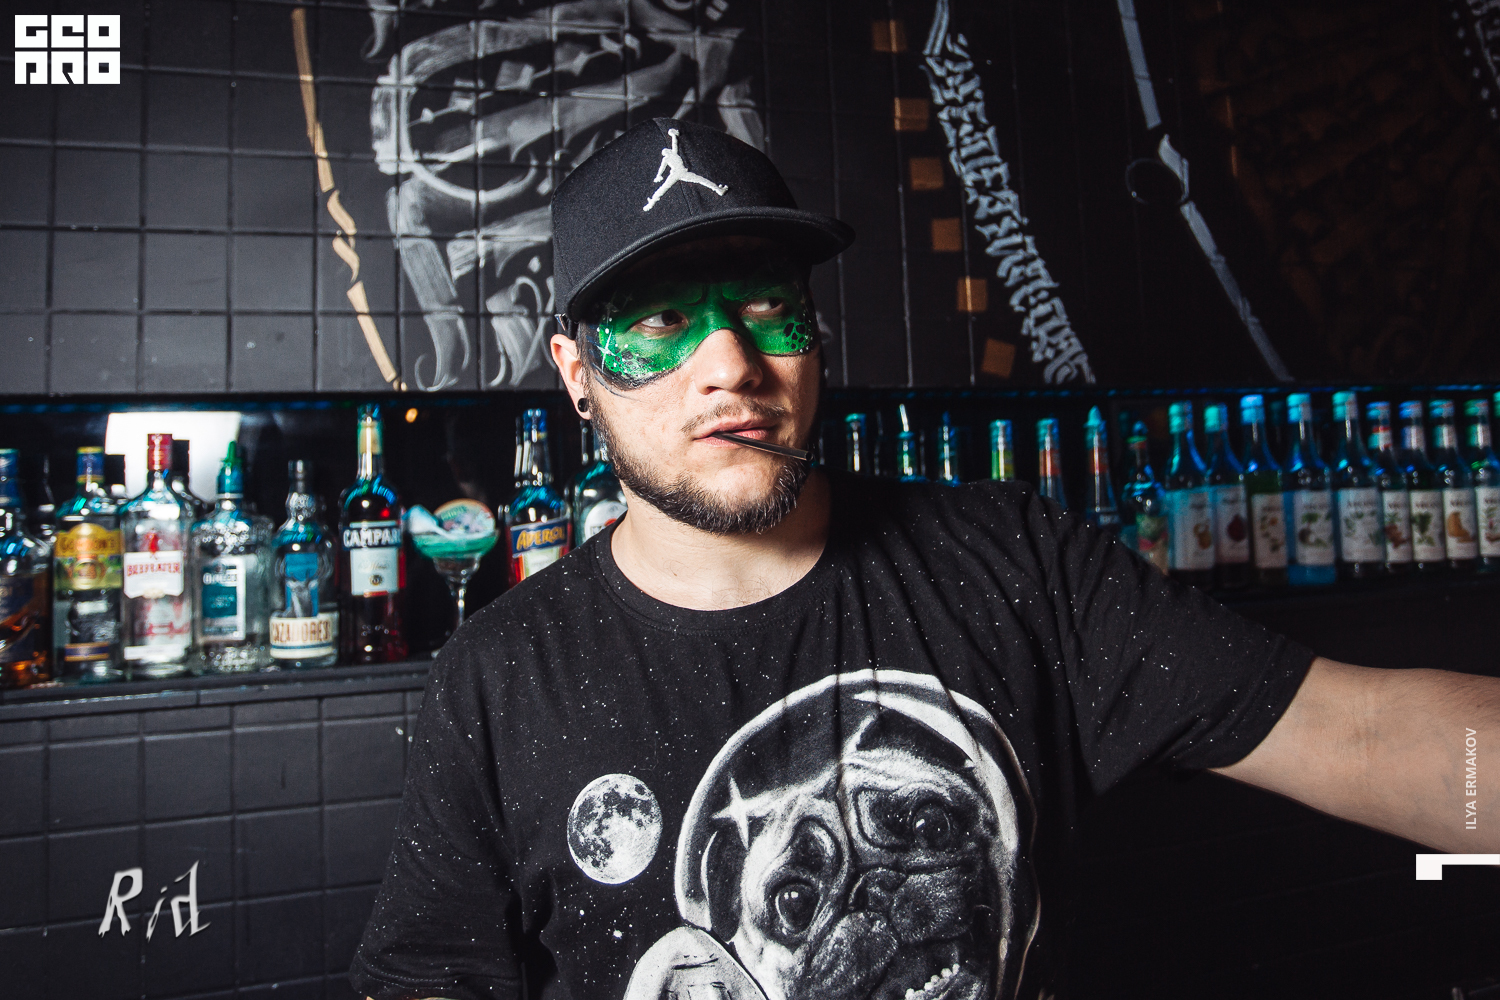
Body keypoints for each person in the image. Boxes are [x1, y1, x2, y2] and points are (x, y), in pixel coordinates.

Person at [350, 118, 1500, 1000]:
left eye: (766, 303)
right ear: (575, 372)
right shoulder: (498, 678)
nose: (730, 361)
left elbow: (1361, 732)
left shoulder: (1013, 563)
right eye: (658, 320)